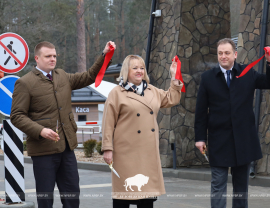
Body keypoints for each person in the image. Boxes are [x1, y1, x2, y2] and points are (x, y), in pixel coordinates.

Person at [10, 40, 115, 208]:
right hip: (43, 151)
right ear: (37, 58)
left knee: (72, 196)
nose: (53, 59)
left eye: (54, 56)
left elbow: (89, 76)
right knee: (46, 200)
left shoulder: (62, 76)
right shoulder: (25, 83)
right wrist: (40, 130)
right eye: (48, 56)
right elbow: (17, 115)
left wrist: (105, 54)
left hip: (67, 148)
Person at [195, 38, 270, 208]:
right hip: (219, 140)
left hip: (244, 141)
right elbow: (200, 111)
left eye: (227, 53)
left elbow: (268, 82)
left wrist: (269, 62)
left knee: (241, 188)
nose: (223, 56)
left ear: (235, 54)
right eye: (220, 53)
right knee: (218, 185)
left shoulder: (248, 73)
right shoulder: (207, 78)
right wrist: (200, 138)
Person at [102, 55, 183, 208]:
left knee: (146, 197)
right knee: (123, 195)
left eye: (142, 68)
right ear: (127, 70)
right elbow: (108, 122)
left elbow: (172, 99)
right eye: (135, 68)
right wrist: (107, 148)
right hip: (125, 152)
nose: (139, 71)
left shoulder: (152, 91)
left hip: (147, 152)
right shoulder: (117, 93)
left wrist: (173, 76)